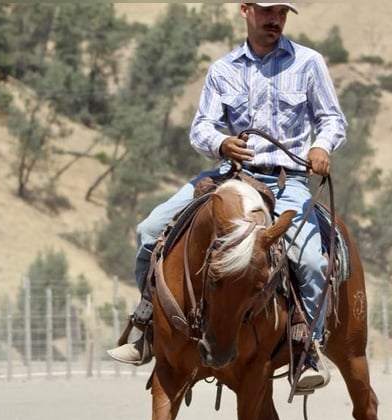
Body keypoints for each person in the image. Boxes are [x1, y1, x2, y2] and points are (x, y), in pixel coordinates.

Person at [108, 3, 347, 390]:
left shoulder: (308, 63)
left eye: (282, 13)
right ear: (246, 10)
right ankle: (148, 323)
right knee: (150, 229)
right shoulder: (223, 69)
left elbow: (332, 119)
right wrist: (220, 143)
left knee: (311, 262)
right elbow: (201, 126)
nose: (275, 19)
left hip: (287, 182)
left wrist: (321, 146)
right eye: (267, 11)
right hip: (227, 177)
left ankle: (307, 349)